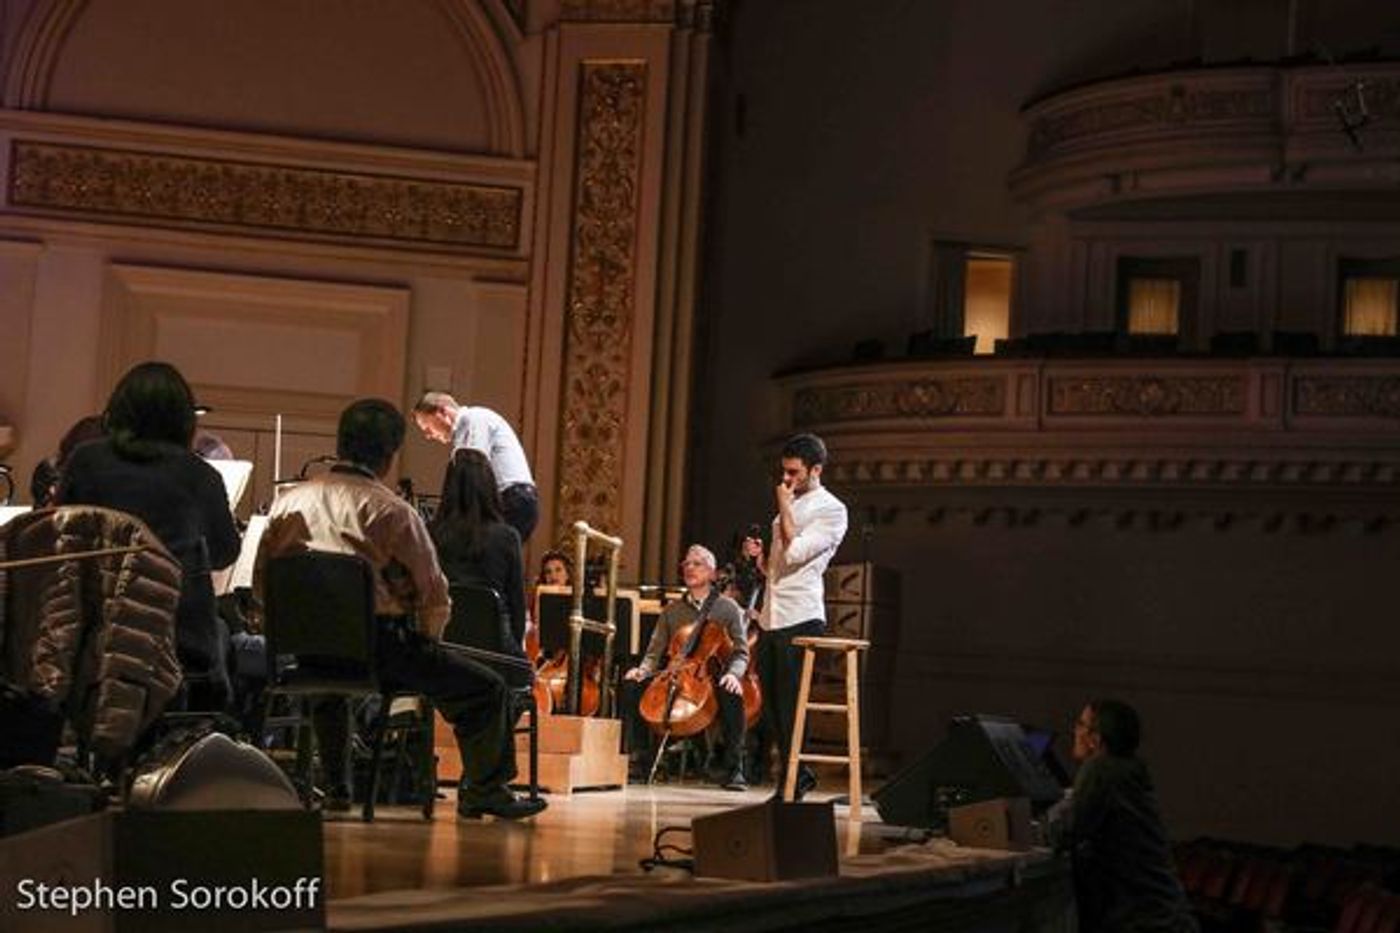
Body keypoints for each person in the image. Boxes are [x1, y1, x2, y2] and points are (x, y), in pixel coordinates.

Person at [255, 398, 546, 820]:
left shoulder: (286, 503)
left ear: (340, 443)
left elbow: (265, 585)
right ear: (390, 455)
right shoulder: (393, 512)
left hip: (305, 654)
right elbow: (433, 598)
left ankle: (337, 786)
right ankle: (485, 789)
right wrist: (427, 643)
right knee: (486, 690)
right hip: (382, 654)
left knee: (331, 678)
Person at [57, 363, 239, 711]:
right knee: (226, 636)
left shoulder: (86, 461)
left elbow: (60, 534)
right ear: (184, 419)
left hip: (93, 626)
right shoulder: (200, 476)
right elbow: (224, 552)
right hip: (174, 635)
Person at [742, 432, 847, 797]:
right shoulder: (790, 502)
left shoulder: (831, 509)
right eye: (784, 472)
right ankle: (796, 774)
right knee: (770, 706)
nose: (786, 480)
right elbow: (777, 566)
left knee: (789, 705)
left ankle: (792, 781)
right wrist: (759, 557)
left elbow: (796, 553)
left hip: (801, 615)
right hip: (773, 613)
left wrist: (784, 506)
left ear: (815, 469)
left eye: (794, 473)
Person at [621, 545, 749, 790]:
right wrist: (643, 670)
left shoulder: (727, 608)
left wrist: (734, 674)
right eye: (686, 564)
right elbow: (654, 653)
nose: (690, 567)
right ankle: (641, 761)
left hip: (712, 675)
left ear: (712, 574)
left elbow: (741, 652)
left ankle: (734, 768)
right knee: (631, 685)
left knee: (732, 691)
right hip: (676, 673)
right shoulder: (672, 611)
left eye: (697, 563)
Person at [1066, 699, 1198, 933]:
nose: (1074, 730)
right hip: (1168, 917)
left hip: (1142, 923)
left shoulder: (1100, 770)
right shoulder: (1130, 770)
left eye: (1080, 724)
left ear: (1096, 739)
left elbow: (1064, 832)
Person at [430, 448, 527, 647]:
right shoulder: (507, 537)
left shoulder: (429, 532)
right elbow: (517, 606)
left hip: (443, 642)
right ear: (489, 486)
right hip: (494, 646)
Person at [412, 391, 538, 544]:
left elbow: (474, 476)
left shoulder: (474, 419)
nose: (428, 435)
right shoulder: (466, 430)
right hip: (510, 500)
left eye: (427, 427)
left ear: (442, 411)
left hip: (513, 501)